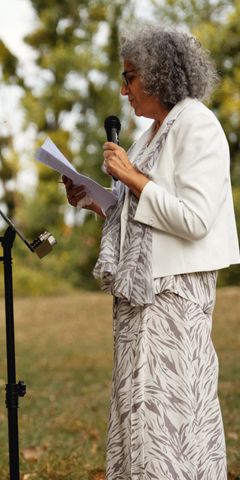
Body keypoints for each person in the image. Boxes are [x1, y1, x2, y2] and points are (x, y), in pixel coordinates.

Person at [63, 24, 240, 479]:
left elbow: (194, 219)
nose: (123, 90)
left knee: (173, 417)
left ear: (159, 76)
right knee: (138, 416)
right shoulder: (149, 137)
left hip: (174, 299)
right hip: (139, 298)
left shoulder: (198, 124)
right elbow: (141, 214)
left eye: (130, 78)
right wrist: (96, 197)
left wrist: (131, 178)